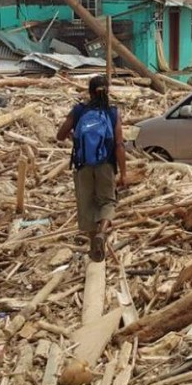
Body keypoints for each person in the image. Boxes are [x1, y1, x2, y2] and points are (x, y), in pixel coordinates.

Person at [56, 75, 128, 262]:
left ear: (89, 92)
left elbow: (60, 135)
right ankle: (102, 234)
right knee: (108, 202)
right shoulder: (112, 113)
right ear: (108, 91)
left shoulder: (79, 111)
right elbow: (119, 144)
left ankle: (93, 247)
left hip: (83, 166)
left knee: (86, 205)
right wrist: (123, 173)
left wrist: (75, 136)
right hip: (105, 165)